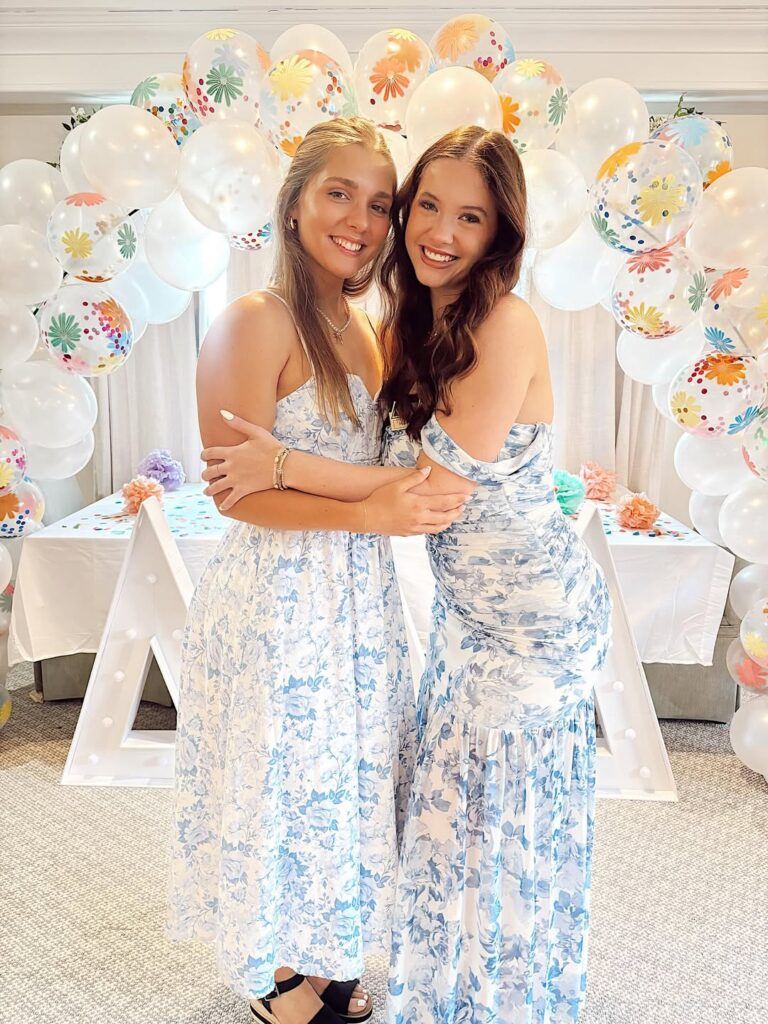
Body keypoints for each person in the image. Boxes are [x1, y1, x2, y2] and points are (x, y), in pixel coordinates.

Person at [202, 125, 612, 1023]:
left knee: (491, 821)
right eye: (425, 206)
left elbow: (429, 492)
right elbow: (350, 482)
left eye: (470, 216)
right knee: (422, 807)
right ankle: (385, 977)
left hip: (530, 616)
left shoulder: (500, 323)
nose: (437, 231)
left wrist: (285, 464)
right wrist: (311, 482)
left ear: (500, 231)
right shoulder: (398, 324)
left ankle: (500, 996)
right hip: (436, 610)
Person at [168, 116, 467, 1024]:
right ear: (295, 201)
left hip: (358, 597)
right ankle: (272, 970)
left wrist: (372, 501)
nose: (361, 221)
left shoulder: (367, 329)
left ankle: (322, 946)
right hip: (279, 595)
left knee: (341, 777)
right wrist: (373, 509)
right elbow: (235, 493)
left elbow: (398, 477)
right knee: (283, 776)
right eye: (340, 193)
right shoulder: (255, 321)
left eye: (379, 204)